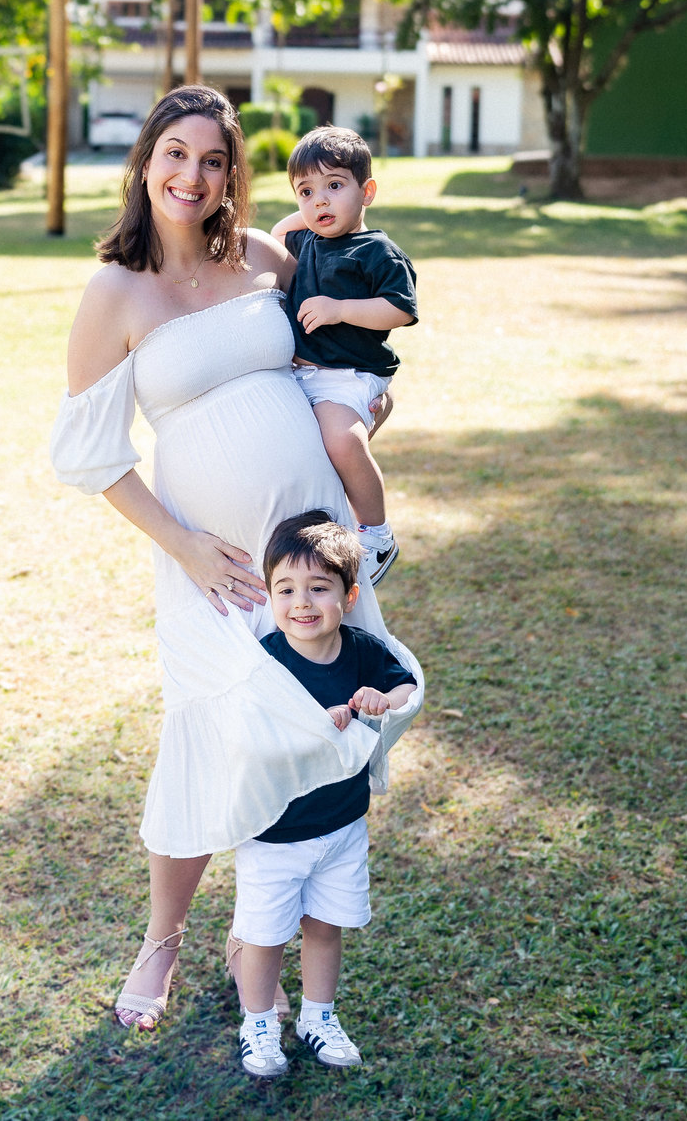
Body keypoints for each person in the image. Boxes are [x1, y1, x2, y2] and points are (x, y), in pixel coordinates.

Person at [49, 87, 422, 1032]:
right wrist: (183, 546)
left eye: (214, 160)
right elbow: (91, 455)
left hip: (314, 552)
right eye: (176, 153)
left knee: (308, 733)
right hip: (212, 567)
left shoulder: (265, 257)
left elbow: (348, 356)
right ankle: (162, 941)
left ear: (232, 176)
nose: (193, 175)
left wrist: (368, 416)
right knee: (209, 737)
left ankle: (256, 931)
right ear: (146, 161)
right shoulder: (114, 291)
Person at [233, 512, 416, 1080]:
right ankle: (258, 1023)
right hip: (275, 831)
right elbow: (249, 733)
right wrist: (316, 723)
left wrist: (382, 700)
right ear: (270, 596)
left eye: (318, 588)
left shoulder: (360, 651)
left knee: (325, 925)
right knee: (264, 936)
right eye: (286, 589)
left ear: (349, 596)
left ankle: (319, 1016)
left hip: (342, 825)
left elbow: (406, 685)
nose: (302, 603)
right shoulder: (266, 660)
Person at [271, 126, 418, 585]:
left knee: (341, 442)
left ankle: (377, 533)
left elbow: (399, 309)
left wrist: (340, 309)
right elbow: (278, 233)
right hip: (305, 375)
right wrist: (314, 209)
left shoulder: (376, 251)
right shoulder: (309, 240)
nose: (320, 201)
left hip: (351, 373)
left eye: (335, 186)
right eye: (306, 191)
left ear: (366, 192)